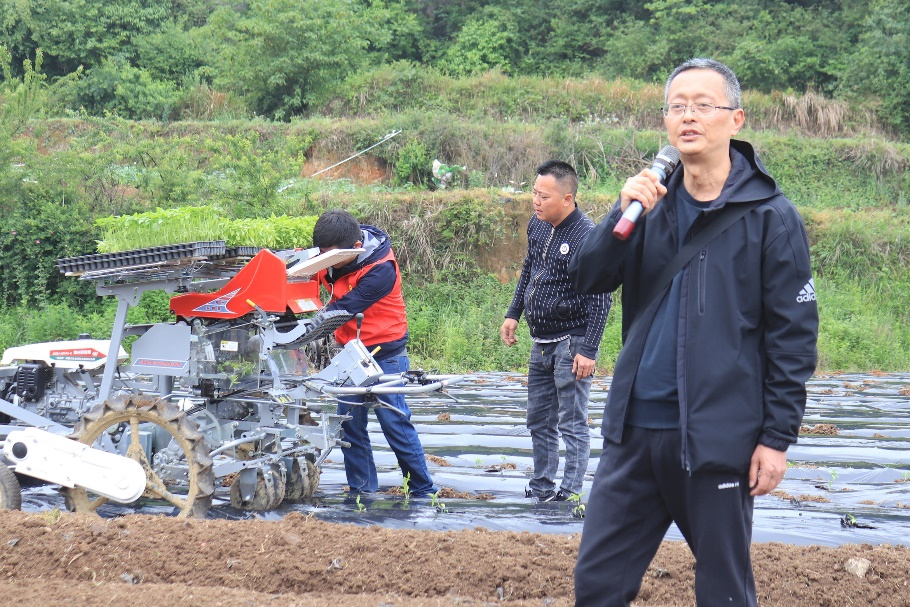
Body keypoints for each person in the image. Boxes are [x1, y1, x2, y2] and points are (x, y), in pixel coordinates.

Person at [569, 59, 819, 606]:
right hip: (633, 434)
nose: (688, 116)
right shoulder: (647, 205)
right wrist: (621, 209)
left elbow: (793, 338)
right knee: (596, 587)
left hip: (716, 439)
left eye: (703, 105)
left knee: (724, 593)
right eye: (677, 106)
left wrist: (776, 438)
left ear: (735, 119)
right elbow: (589, 277)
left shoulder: (771, 216)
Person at [501, 160, 611, 503]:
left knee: (572, 421)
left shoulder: (586, 237)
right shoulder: (537, 224)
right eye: (534, 192)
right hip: (542, 340)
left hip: (571, 340)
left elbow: (602, 297)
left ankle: (571, 492)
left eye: (543, 196)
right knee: (539, 419)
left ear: (567, 199)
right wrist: (513, 312)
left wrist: (589, 350)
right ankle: (542, 485)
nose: (535, 200)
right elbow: (529, 268)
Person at [312, 209, 435, 496]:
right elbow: (297, 270)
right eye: (322, 254)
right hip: (350, 353)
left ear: (356, 248)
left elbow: (344, 308)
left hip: (385, 354)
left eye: (331, 256)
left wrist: (307, 326)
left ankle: (422, 490)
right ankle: (362, 491)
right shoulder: (333, 253)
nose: (325, 261)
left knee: (395, 423)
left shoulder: (381, 269)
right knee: (349, 426)